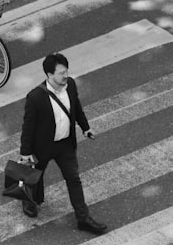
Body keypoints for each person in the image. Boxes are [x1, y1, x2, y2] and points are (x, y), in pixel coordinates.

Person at [18, 53, 107, 234]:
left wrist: (85, 127)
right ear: (49, 75)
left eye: (66, 71)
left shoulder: (71, 85)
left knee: (73, 179)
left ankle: (83, 218)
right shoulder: (35, 97)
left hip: (65, 144)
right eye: (61, 73)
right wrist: (25, 151)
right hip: (42, 147)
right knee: (33, 176)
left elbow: (76, 107)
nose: (65, 76)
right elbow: (28, 126)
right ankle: (28, 200)